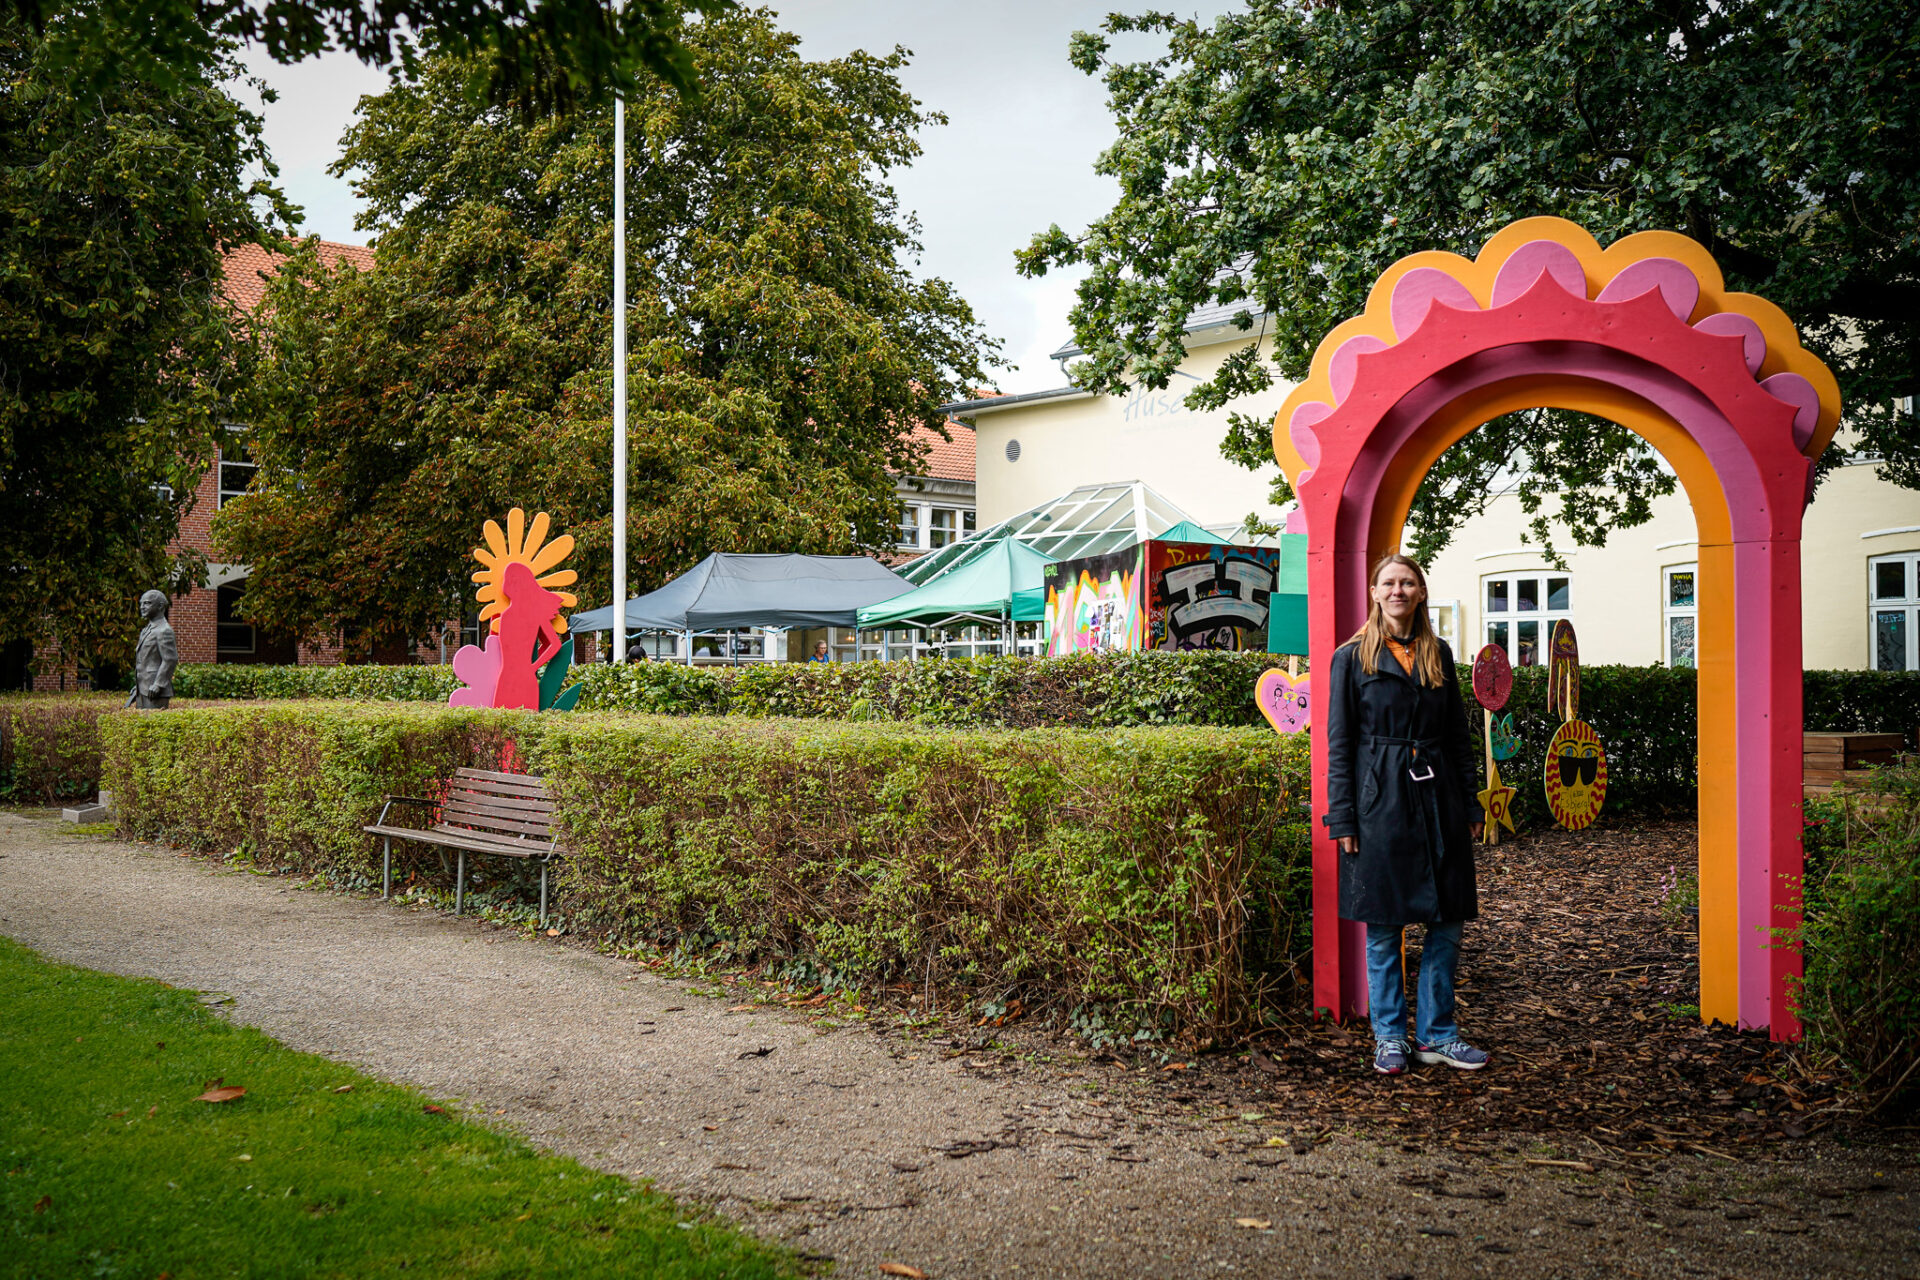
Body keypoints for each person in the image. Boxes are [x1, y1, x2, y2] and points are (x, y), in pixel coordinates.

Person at [1324, 554, 1488, 1075]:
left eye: (1408, 583)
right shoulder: (1350, 659)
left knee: (1447, 921)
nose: (1398, 591)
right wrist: (1344, 818)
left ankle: (1438, 1034)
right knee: (1384, 925)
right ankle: (1390, 1037)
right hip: (1381, 803)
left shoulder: (1438, 653)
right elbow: (1339, 745)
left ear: (1420, 592)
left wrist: (1471, 802)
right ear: (1374, 592)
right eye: (1389, 583)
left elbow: (1460, 738)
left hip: (1439, 799)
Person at [125, 589, 177, 710]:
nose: (142, 607)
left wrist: (158, 684)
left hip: (155, 691)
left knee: (152, 725)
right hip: (142, 688)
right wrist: (138, 685)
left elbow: (170, 659)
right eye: (141, 604)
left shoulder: (164, 630)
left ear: (160, 606)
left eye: (147, 603)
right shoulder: (147, 629)